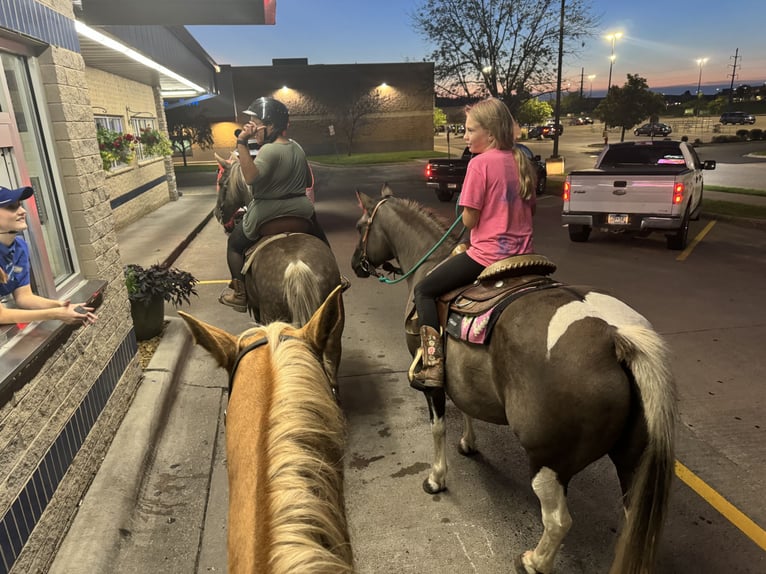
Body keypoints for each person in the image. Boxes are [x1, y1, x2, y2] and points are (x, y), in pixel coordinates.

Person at [410, 97, 536, 391]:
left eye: (470, 130)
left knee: (424, 290)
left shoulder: (480, 164)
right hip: (527, 257)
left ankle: (433, 365)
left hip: (489, 256)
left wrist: (467, 208)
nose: (464, 136)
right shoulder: (522, 162)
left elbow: (469, 220)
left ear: (490, 133)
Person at [220, 96, 330, 311]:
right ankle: (336, 278)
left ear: (271, 125)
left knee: (234, 244)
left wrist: (242, 142)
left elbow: (251, 177)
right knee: (320, 237)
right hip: (301, 209)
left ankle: (240, 293)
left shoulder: (269, 150)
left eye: (256, 123)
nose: (253, 128)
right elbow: (307, 181)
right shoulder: (297, 147)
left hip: (267, 212)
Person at [0, 186, 97, 326]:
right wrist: (56, 314)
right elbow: (1, 315)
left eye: (20, 205)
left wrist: (61, 305)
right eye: (11, 207)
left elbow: (24, 297)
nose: (23, 211)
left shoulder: (20, 247)